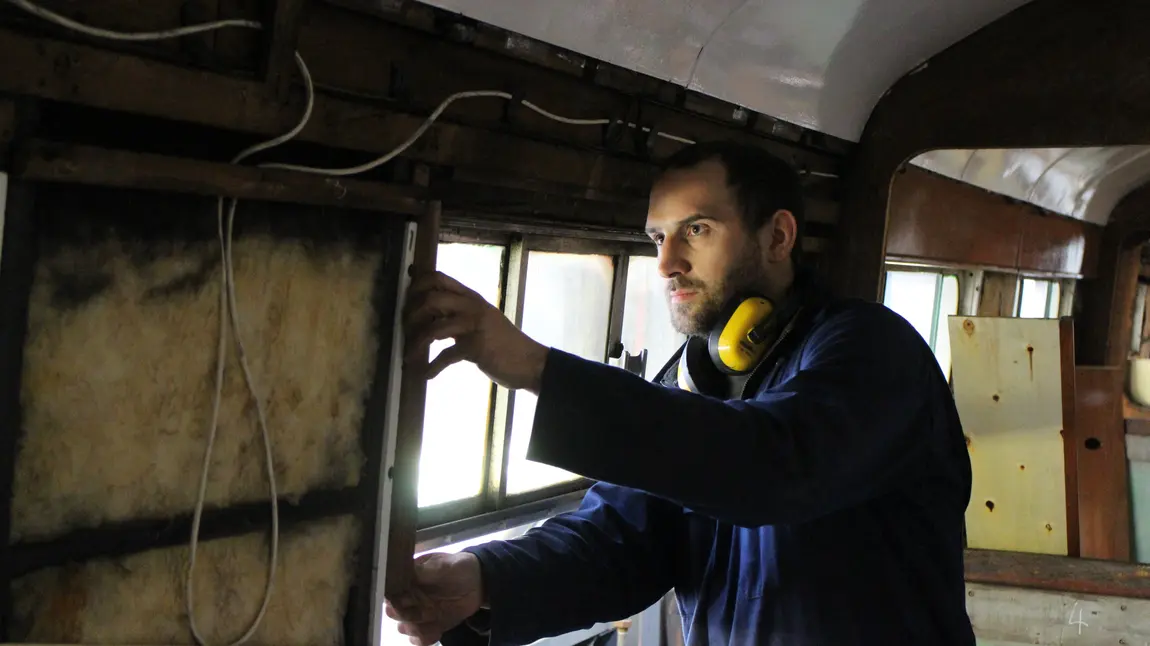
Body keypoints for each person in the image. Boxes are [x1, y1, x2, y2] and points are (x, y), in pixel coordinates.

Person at [389, 141, 975, 645]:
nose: (667, 262)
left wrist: (541, 369)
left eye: (697, 230)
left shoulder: (873, 351)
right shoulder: (694, 377)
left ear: (777, 237)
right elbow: (621, 538)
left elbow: (774, 465)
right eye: (657, 237)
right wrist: (486, 578)